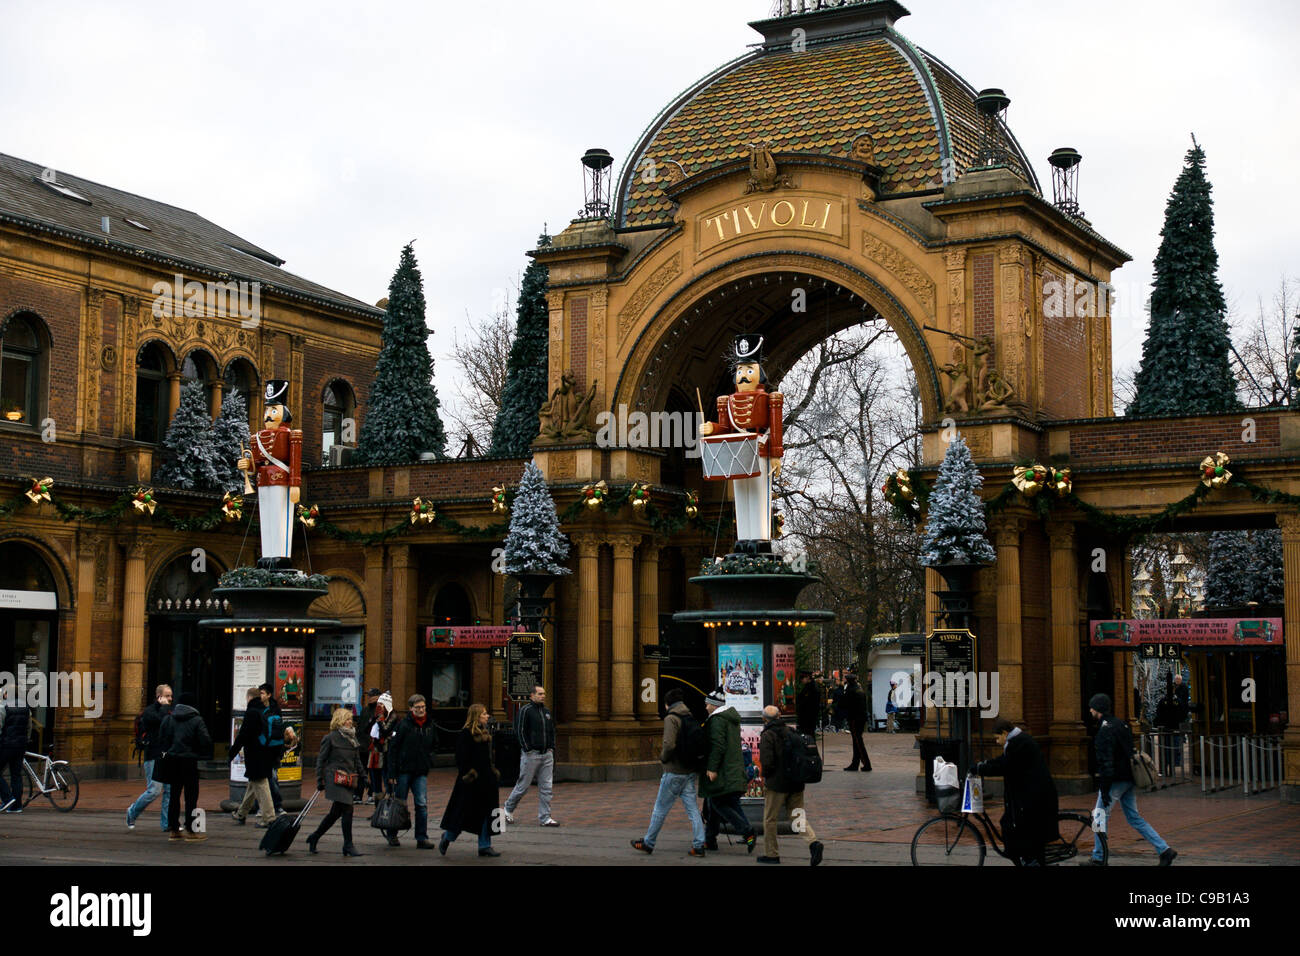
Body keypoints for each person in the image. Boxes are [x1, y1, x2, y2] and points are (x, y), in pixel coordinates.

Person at [1083, 693, 1176, 866]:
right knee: (1134, 817)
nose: (1090, 710)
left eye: (1091, 707)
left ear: (1097, 709)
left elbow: (1106, 763)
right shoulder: (1121, 724)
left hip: (1115, 780)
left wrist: (1104, 790)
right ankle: (1164, 849)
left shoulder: (1105, 730)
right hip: (1129, 778)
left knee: (1098, 816)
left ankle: (1098, 857)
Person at [631, 687, 707, 857]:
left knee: (660, 809)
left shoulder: (671, 718)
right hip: (689, 771)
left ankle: (648, 842)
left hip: (674, 771)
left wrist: (663, 758)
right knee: (693, 809)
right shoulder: (689, 716)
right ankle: (699, 844)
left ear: (667, 704)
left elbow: (669, 744)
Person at [972, 718, 1059, 866]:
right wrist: (984, 764)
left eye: (998, 737)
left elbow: (1005, 766)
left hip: (1035, 797)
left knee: (1020, 830)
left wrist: (981, 769)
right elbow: (1003, 760)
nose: (997, 742)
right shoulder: (1015, 742)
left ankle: (1031, 861)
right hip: (1029, 795)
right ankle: (1027, 859)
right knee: (1011, 826)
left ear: (1005, 733)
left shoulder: (1019, 743)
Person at [758, 705, 824, 865]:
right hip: (796, 781)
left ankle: (771, 854)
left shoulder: (768, 735)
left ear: (764, 719)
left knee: (770, 819)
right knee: (797, 815)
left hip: (777, 784)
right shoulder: (792, 732)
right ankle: (813, 842)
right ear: (780, 716)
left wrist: (766, 777)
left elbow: (767, 762)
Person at [438, 704, 501, 857]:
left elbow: (488, 759)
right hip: (471, 783)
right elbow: (461, 759)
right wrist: (471, 775)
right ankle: (447, 837)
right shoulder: (466, 734)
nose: (487, 716)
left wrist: (493, 774)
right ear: (477, 716)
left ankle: (485, 845)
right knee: (462, 814)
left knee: (488, 813)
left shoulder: (486, 734)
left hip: (487, 781)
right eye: (484, 714)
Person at [700, 688, 757, 853]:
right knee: (718, 802)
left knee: (717, 802)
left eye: (707, 704)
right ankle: (710, 839)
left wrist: (712, 768)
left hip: (723, 770)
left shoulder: (717, 720)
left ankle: (747, 831)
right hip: (732, 768)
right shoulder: (730, 719)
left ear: (713, 705)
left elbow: (718, 745)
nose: (705, 707)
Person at [307, 706, 364, 857]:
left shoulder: (352, 738)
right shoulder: (330, 738)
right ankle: (348, 845)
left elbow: (357, 760)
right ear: (339, 721)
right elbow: (321, 760)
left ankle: (314, 836)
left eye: (351, 719)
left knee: (335, 813)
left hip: (348, 779)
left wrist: (364, 777)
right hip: (335, 779)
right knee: (347, 809)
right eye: (347, 719)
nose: (350, 722)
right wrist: (320, 779)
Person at [157, 691, 212, 843]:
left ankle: (174, 829)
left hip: (172, 760)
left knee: (174, 795)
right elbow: (205, 740)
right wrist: (198, 751)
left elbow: (162, 739)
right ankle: (192, 830)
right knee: (191, 796)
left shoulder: (169, 719)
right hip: (189, 761)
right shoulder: (196, 720)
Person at [385, 694, 438, 849]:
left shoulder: (430, 724)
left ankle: (422, 837)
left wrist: (430, 759)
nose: (421, 710)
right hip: (403, 771)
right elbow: (393, 749)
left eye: (423, 707)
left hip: (420, 770)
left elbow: (435, 743)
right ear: (411, 709)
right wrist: (392, 774)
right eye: (417, 708)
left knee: (421, 804)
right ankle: (392, 834)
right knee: (399, 803)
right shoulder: (403, 725)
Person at [504, 685, 559, 827]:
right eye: (540, 694)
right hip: (532, 754)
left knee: (547, 787)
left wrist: (551, 747)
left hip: (547, 754)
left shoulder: (547, 712)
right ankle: (508, 808)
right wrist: (527, 748)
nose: (543, 696)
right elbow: (520, 730)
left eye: (544, 693)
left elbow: (551, 730)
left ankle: (545, 817)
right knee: (523, 785)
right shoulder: (525, 711)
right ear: (532, 695)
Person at [229, 687, 278, 827]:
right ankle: (241, 813)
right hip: (268, 752)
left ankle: (269, 818)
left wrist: (232, 753)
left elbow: (243, 735)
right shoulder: (266, 711)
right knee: (253, 784)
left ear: (249, 698)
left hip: (256, 754)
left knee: (261, 784)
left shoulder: (252, 713)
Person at [126, 684, 173, 831]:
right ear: (159, 696)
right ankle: (132, 811)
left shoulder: (171, 710)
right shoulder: (150, 711)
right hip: (153, 755)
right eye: (167, 696)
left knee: (169, 791)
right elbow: (160, 721)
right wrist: (164, 708)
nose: (170, 698)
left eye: (171, 695)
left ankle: (166, 824)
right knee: (154, 790)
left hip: (167, 755)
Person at [258, 682, 295, 816]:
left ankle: (276, 805)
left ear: (269, 695)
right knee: (259, 781)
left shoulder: (274, 709)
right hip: (263, 748)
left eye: (262, 693)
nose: (260, 696)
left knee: (272, 778)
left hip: (272, 749)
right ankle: (260, 807)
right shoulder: (259, 708)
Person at [360, 691, 396, 803]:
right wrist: (373, 719)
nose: (379, 706)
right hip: (374, 752)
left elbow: (385, 730)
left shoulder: (392, 716)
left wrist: (380, 718)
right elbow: (366, 730)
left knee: (386, 780)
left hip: (386, 753)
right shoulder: (375, 714)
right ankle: (377, 807)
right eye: (379, 704)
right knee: (375, 782)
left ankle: (388, 806)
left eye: (382, 704)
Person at [0, 697, 31, 813]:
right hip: (20, 746)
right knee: (16, 775)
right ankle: (17, 806)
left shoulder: (4, 707)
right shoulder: (26, 708)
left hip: (6, 745)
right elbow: (29, 726)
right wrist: (25, 740)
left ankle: (7, 798)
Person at [842, 673, 872, 771]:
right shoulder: (860, 689)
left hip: (854, 718)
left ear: (849, 681)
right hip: (861, 718)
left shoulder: (850, 690)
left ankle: (866, 764)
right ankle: (855, 763)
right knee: (856, 742)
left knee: (858, 742)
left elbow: (845, 704)